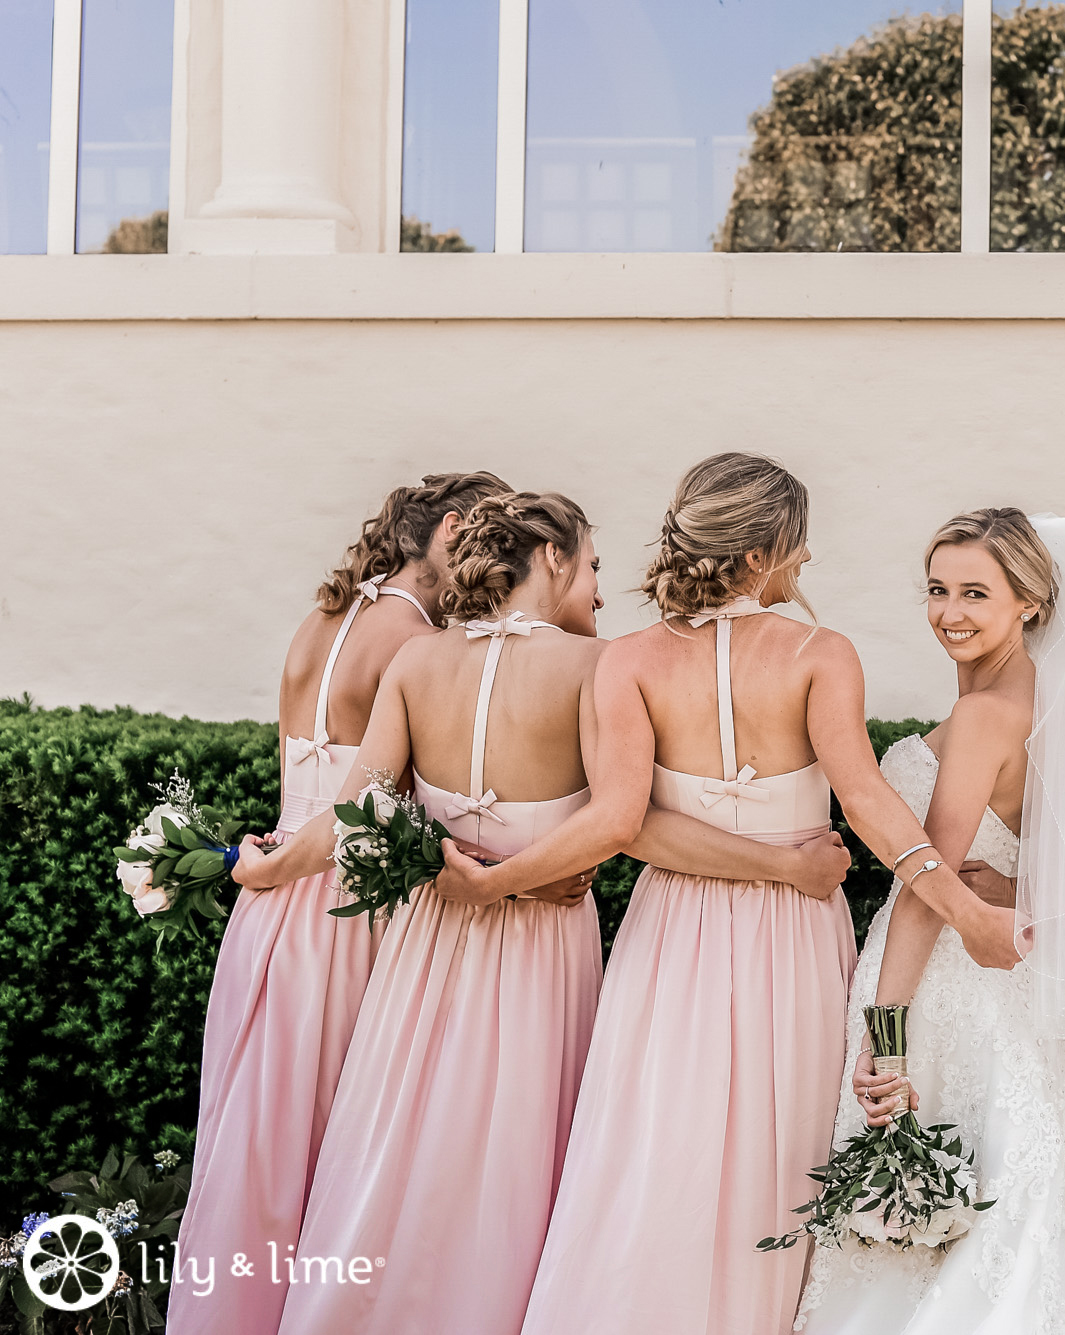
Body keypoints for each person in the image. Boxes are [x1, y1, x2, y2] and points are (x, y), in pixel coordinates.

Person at [438, 455, 1013, 1335]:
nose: (806, 558)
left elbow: (625, 823)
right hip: (792, 932)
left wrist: (495, 881)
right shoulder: (820, 653)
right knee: (779, 1144)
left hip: (673, 927)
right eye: (797, 543)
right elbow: (867, 802)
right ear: (758, 555)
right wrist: (961, 908)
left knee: (656, 1138)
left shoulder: (626, 660)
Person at [798, 509, 1065, 1334]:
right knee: (1031, 1187)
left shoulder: (985, 714)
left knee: (963, 1204)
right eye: (938, 589)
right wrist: (1031, 898)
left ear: (1030, 602)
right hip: (1017, 988)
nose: (949, 611)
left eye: (976, 593)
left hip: (943, 985)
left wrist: (884, 1032)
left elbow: (928, 889)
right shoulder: (1052, 702)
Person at [172, 471, 508, 1335]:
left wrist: (268, 869)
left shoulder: (319, 620)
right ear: (453, 529)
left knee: (255, 1142)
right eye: (488, 538)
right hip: (349, 910)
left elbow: (304, 790)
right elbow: (373, 807)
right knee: (337, 1151)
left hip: (269, 916)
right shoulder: (417, 642)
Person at [263, 492, 606, 1335]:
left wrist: (267, 866)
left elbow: (356, 813)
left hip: (427, 938)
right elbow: (621, 817)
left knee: (400, 1133)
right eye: (593, 564)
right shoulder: (596, 667)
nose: (600, 586)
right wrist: (521, 880)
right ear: (553, 557)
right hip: (541, 946)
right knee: (512, 1145)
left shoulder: (419, 662)